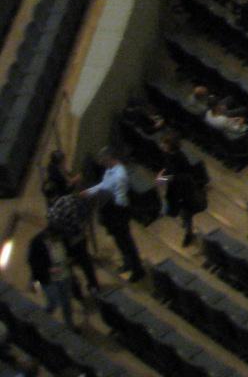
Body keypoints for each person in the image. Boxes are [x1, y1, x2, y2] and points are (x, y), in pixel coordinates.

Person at [80, 147, 144, 280]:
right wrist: (90, 191)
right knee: (120, 242)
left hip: (118, 215)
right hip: (111, 214)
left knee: (126, 243)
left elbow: (122, 200)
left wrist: (107, 198)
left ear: (109, 158)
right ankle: (127, 263)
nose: (101, 163)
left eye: (103, 160)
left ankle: (137, 270)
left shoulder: (119, 175)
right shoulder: (109, 170)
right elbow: (104, 185)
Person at [156, 132, 204, 247]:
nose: (161, 146)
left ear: (170, 146)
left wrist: (163, 179)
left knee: (185, 212)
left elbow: (181, 175)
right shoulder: (168, 155)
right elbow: (168, 169)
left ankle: (189, 233)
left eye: (163, 144)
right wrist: (162, 175)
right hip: (175, 188)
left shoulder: (180, 157)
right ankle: (186, 224)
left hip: (183, 189)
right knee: (180, 211)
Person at [26, 224, 76, 328]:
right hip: (48, 279)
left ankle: (70, 325)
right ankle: (41, 320)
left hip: (64, 275)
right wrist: (48, 269)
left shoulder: (61, 238)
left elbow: (69, 251)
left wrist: (69, 260)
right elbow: (33, 263)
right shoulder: (37, 243)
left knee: (66, 301)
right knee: (53, 302)